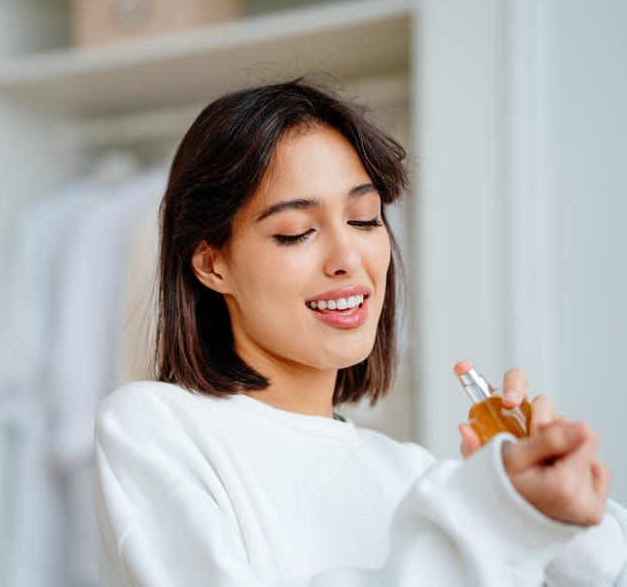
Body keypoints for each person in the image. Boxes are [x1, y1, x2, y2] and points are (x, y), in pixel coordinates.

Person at [94, 78, 627, 586]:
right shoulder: (154, 426)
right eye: (295, 232)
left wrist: (551, 515)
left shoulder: (413, 473)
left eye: (366, 219)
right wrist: (485, 521)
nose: (348, 257)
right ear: (212, 265)